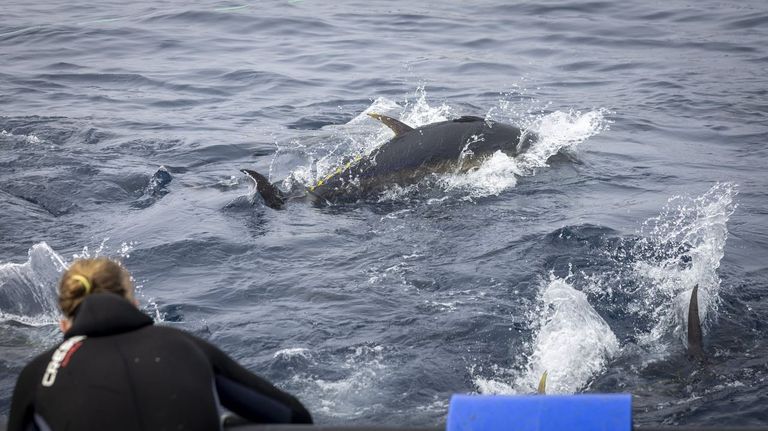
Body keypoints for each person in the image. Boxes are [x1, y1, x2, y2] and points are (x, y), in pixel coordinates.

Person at [8, 257, 312, 431]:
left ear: (64, 324)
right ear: (133, 303)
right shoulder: (185, 346)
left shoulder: (37, 374)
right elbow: (292, 416)